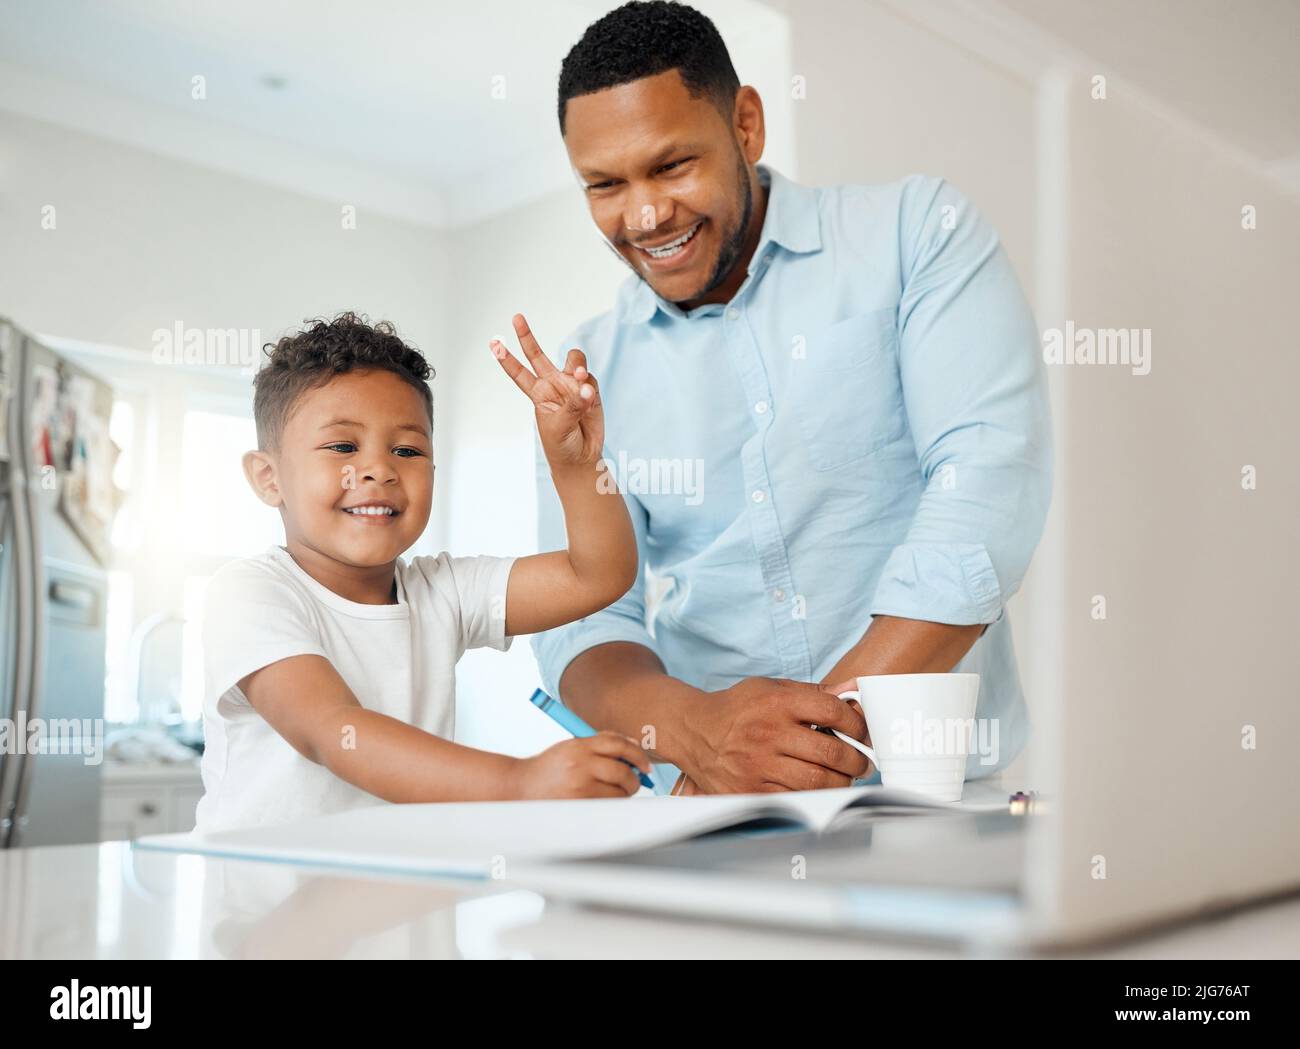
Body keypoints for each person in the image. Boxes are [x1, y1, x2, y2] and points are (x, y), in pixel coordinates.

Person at [533, 1, 1053, 794]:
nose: (643, 215)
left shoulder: (917, 234)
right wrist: (704, 736)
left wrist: (800, 746)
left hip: (934, 797)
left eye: (672, 166)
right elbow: (586, 621)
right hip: (709, 807)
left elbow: (986, 491)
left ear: (746, 126)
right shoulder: (587, 369)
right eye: (604, 184)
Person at [195, 311, 650, 832]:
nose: (379, 469)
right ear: (268, 478)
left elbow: (597, 576)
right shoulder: (250, 593)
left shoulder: (442, 592)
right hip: (264, 904)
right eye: (343, 446)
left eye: (407, 450)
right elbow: (332, 730)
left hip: (399, 894)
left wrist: (575, 464)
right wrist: (519, 784)